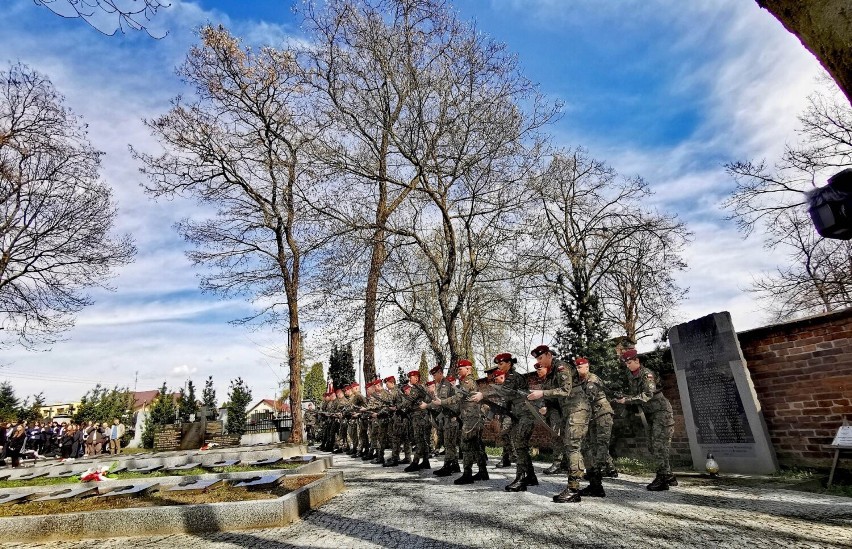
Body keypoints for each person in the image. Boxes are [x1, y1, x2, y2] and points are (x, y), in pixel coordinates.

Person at [527, 345, 591, 503]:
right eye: (537, 359)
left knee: (572, 446)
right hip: (569, 411)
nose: (539, 361)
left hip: (577, 409)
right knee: (576, 446)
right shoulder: (550, 374)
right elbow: (552, 397)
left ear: (549, 355)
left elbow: (565, 390)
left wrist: (541, 393)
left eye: (541, 358)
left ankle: (573, 490)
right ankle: (595, 485)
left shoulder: (561, 367)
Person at [616, 348, 676, 491]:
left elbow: (647, 395)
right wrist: (623, 396)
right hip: (651, 414)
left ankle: (662, 479)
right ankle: (668, 475)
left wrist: (627, 400)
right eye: (626, 363)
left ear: (637, 361)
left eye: (629, 362)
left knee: (658, 445)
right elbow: (635, 394)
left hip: (661, 412)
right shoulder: (631, 375)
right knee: (653, 445)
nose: (627, 365)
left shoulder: (647, 374)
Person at [429, 359, 487, 485]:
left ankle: (467, 475)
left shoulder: (468, 381)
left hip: (471, 418)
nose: (458, 371)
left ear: (469, 369)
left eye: (461, 369)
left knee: (465, 445)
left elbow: (458, 397)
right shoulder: (465, 381)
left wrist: (442, 402)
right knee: (475, 446)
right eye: (458, 369)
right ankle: (483, 472)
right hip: (471, 417)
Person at [491, 353, 539, 492]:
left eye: (501, 364)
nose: (499, 367)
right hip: (519, 416)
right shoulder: (510, 377)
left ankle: (521, 479)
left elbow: (504, 393)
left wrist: (484, 394)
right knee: (521, 446)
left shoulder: (513, 377)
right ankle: (530, 476)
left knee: (520, 445)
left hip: (525, 415)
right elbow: (508, 400)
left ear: (509, 363)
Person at [575, 356, 613, 498]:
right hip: (593, 416)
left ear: (587, 367)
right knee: (590, 447)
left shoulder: (592, 380)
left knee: (600, 447)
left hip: (602, 415)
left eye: (581, 367)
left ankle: (598, 483)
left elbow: (587, 399)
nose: (578, 370)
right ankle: (595, 484)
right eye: (577, 367)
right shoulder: (581, 381)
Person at [429, 365, 460, 477]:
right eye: (433, 375)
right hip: (447, 417)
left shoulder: (445, 385)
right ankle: (455, 465)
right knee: (450, 443)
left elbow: (445, 402)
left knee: (449, 443)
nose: (433, 377)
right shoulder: (440, 385)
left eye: (435, 374)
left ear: (440, 373)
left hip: (451, 418)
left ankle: (448, 466)